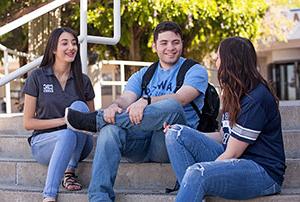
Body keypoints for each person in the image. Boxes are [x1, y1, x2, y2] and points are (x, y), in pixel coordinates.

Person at [64, 21, 208, 201]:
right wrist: (114, 107)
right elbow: (125, 99)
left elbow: (181, 98)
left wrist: (146, 100)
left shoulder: (195, 70)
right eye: (164, 43)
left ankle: (95, 121)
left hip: (169, 142)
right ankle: (99, 198)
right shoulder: (144, 74)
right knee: (109, 131)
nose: (170, 48)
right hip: (139, 142)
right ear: (154, 46)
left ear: (181, 44)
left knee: (172, 106)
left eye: (175, 42)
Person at [164, 36, 286, 201]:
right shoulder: (234, 92)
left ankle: (193, 189)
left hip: (262, 172)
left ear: (230, 61)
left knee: (197, 173)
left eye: (219, 57)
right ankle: (193, 192)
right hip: (234, 159)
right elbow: (224, 136)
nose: (216, 61)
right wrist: (189, 134)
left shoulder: (256, 98)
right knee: (176, 134)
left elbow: (232, 152)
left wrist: (206, 173)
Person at [22, 27, 95, 202]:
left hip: (79, 145)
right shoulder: (37, 77)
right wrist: (64, 121)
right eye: (65, 43)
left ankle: (69, 170)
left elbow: (91, 119)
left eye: (74, 43)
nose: (71, 47)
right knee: (65, 134)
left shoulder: (83, 80)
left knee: (79, 107)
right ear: (54, 49)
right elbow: (28, 123)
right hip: (44, 143)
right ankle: (49, 196)